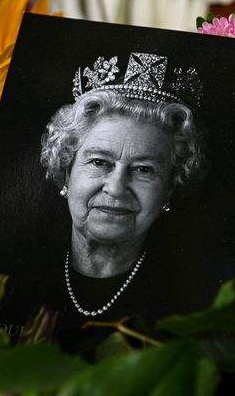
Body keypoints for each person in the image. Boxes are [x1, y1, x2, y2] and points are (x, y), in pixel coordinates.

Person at [40, 52, 204, 319]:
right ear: (66, 171)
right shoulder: (11, 275)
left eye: (144, 169)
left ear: (170, 186)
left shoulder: (192, 301)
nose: (116, 188)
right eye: (99, 162)